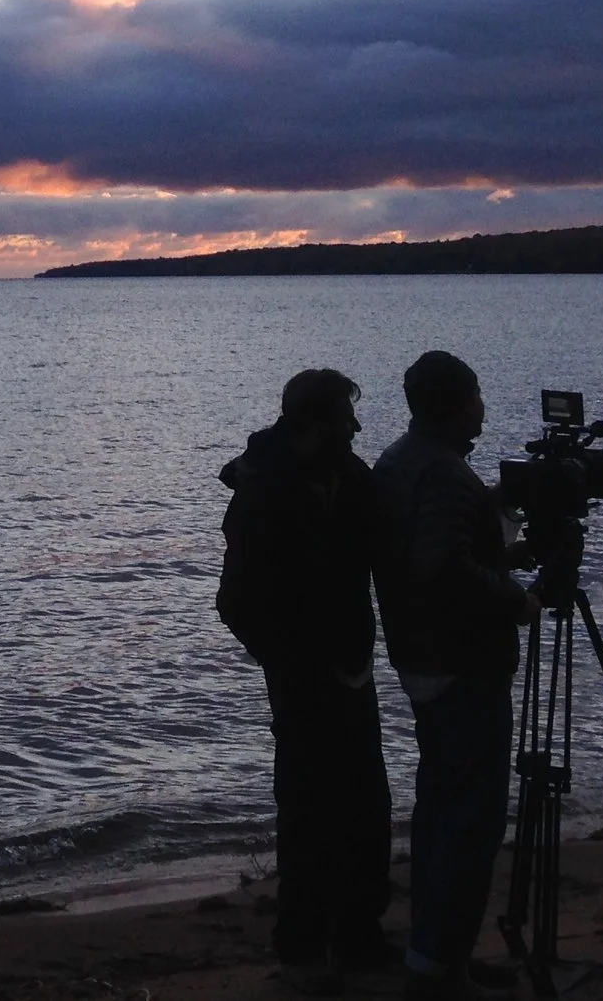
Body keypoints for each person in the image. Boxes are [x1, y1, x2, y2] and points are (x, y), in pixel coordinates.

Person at [218, 367, 393, 996]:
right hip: (302, 674)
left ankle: (357, 935)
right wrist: (286, 659)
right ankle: (301, 946)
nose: (357, 425)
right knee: (308, 812)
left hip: (350, 666)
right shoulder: (265, 489)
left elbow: (384, 537)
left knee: (367, 806)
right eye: (347, 415)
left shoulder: (348, 476)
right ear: (316, 420)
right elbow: (235, 599)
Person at [372, 351, 536, 1001]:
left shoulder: (401, 459)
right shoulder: (442, 472)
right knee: (471, 820)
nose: (484, 405)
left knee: (442, 809)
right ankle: (440, 966)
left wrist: (504, 551)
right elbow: (440, 567)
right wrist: (514, 598)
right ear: (456, 401)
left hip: (423, 658)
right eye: (477, 393)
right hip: (459, 664)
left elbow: (437, 553)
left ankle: (437, 957)